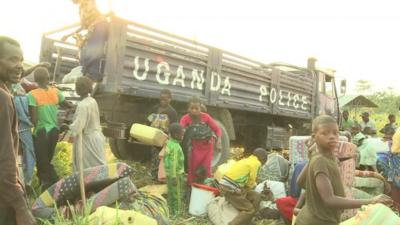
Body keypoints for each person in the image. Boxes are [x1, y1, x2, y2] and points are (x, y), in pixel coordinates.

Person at [295, 115, 392, 225]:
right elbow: (329, 200)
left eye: (335, 133)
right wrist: (370, 201)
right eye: (325, 133)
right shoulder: (320, 161)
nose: (332, 137)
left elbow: (300, 182)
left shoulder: (329, 158)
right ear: (314, 137)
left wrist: (312, 157)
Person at [0, 36, 36, 225]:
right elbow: (4, 158)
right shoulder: (3, 98)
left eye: (21, 60)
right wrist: (21, 208)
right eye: (13, 59)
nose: (19, 65)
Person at [27, 67, 73, 188]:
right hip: (54, 131)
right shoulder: (55, 92)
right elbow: (67, 105)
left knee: (42, 161)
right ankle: (49, 183)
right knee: (47, 160)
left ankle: (52, 183)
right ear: (48, 78)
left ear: (35, 80)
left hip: (41, 132)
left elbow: (34, 119)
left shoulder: (32, 95)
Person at [64, 76, 106, 170]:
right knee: (100, 167)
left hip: (87, 141)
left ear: (78, 89)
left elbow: (78, 126)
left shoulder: (82, 105)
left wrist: (66, 127)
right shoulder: (92, 101)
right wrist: (75, 109)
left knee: (87, 169)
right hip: (96, 138)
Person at [219, 148, 268, 225]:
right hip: (230, 188)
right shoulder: (256, 163)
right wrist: (254, 186)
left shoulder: (247, 160)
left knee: (256, 196)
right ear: (263, 159)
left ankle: (248, 219)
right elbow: (251, 182)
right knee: (249, 209)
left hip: (227, 184)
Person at [180, 96, 222, 185]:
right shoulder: (185, 118)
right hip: (194, 147)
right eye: (192, 108)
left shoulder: (206, 117)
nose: (194, 110)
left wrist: (219, 141)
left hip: (207, 147)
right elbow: (180, 129)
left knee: (206, 169)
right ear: (188, 109)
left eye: (196, 108)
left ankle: (206, 187)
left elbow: (217, 129)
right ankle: (192, 187)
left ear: (200, 108)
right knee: (192, 169)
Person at [147, 89, 178, 179]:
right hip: (154, 136)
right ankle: (154, 174)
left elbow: (174, 125)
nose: (162, 101)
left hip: (165, 138)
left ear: (170, 99)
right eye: (161, 99)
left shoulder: (172, 112)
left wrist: (171, 138)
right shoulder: (155, 109)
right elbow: (149, 119)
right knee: (154, 154)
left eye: (165, 99)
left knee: (163, 156)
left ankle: (161, 175)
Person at [11, 83, 36, 188]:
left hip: (19, 127)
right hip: (21, 127)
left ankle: (25, 181)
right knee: (27, 152)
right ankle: (26, 181)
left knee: (22, 153)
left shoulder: (17, 92)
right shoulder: (19, 97)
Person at [163, 123, 185, 218]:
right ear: (176, 135)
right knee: (176, 194)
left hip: (168, 174)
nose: (183, 136)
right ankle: (176, 212)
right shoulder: (176, 147)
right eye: (182, 134)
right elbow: (174, 162)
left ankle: (170, 209)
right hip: (176, 174)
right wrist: (174, 176)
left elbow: (166, 159)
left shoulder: (169, 143)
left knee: (171, 192)